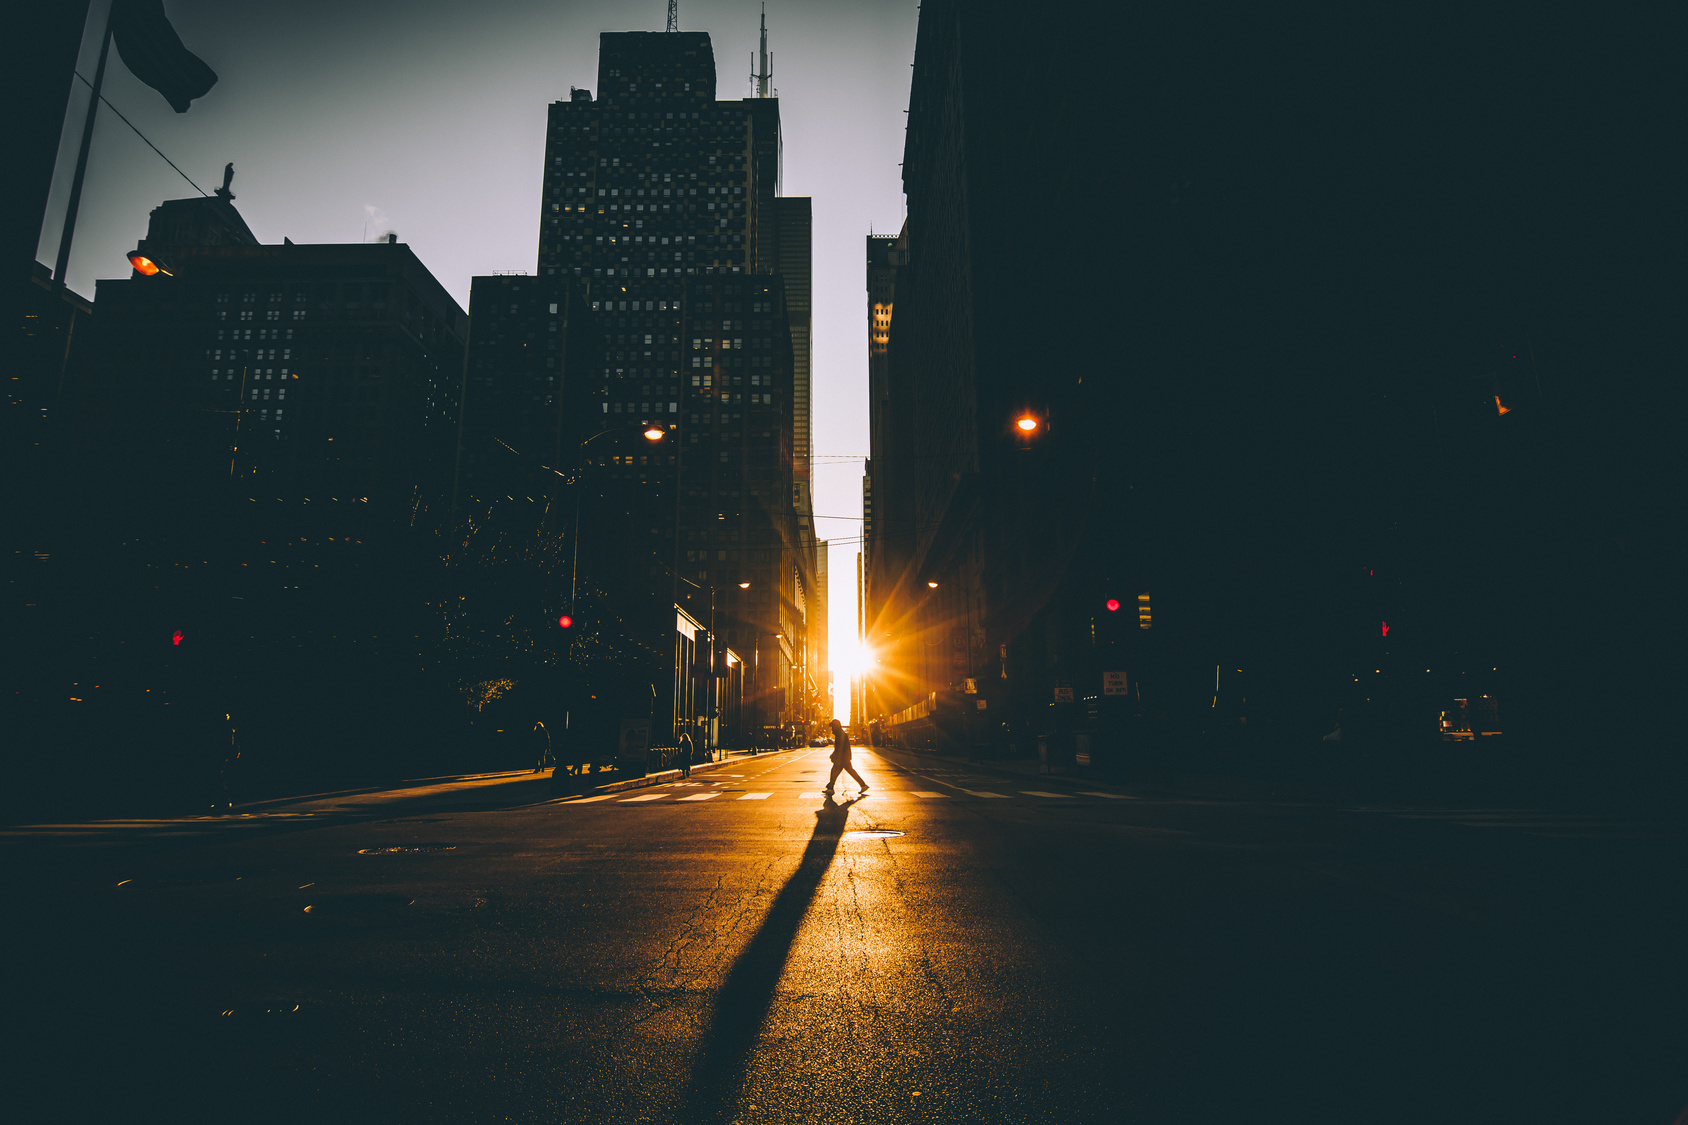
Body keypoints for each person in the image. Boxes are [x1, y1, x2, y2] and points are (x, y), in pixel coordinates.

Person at [823, 718, 868, 795]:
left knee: (835, 771)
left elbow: (840, 747)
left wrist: (835, 756)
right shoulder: (840, 734)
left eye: (833, 727)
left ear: (836, 727)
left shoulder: (840, 735)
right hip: (844, 758)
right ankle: (863, 785)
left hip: (842, 758)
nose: (832, 729)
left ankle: (830, 788)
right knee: (849, 771)